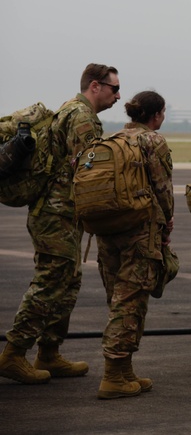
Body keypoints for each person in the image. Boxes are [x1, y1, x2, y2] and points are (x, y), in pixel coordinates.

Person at [0, 63, 120, 385]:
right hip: (56, 214)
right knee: (52, 281)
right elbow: (91, 170)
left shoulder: (72, 112)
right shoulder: (81, 117)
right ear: (95, 86)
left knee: (68, 281)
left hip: (63, 213)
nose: (118, 96)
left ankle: (49, 353)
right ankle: (13, 353)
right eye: (114, 89)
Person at [95, 91, 174, 399]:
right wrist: (166, 223)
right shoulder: (153, 141)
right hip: (139, 232)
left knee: (118, 299)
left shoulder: (111, 138)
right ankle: (113, 377)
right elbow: (162, 187)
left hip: (108, 229)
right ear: (156, 115)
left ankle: (125, 370)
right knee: (130, 301)